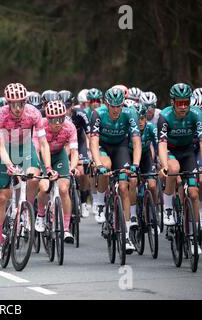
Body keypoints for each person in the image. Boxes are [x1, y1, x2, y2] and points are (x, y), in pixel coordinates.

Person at [0, 83, 52, 260]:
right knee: (2, 196)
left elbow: (42, 143)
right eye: (13, 104)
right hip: (6, 150)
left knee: (33, 177)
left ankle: (26, 210)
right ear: (8, 103)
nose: (17, 108)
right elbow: (0, 145)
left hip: (26, 148)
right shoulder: (1, 114)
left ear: (25, 102)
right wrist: (9, 165)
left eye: (21, 104)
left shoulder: (33, 113)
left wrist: (47, 168)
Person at [90, 86, 141, 254]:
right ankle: (100, 202)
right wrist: (97, 164)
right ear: (107, 104)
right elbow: (94, 141)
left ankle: (125, 234)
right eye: (113, 106)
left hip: (120, 147)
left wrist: (135, 164)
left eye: (119, 106)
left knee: (125, 186)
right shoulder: (98, 114)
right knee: (105, 167)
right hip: (103, 147)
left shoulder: (130, 113)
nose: (116, 109)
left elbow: (136, 141)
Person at [157, 83, 202, 255]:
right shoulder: (165, 116)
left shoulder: (197, 114)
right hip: (170, 150)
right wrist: (164, 165)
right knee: (173, 168)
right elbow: (161, 144)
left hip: (188, 152)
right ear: (173, 102)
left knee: (193, 192)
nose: (183, 107)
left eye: (186, 102)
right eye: (179, 103)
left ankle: (193, 236)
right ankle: (168, 207)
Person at [35, 101, 79, 243]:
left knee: (64, 189)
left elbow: (74, 151)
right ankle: (41, 215)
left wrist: (72, 168)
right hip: (42, 156)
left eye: (61, 118)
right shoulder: (41, 125)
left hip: (59, 155)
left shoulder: (70, 127)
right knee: (44, 186)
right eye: (54, 120)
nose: (58, 123)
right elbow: (36, 149)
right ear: (48, 119)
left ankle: (65, 229)